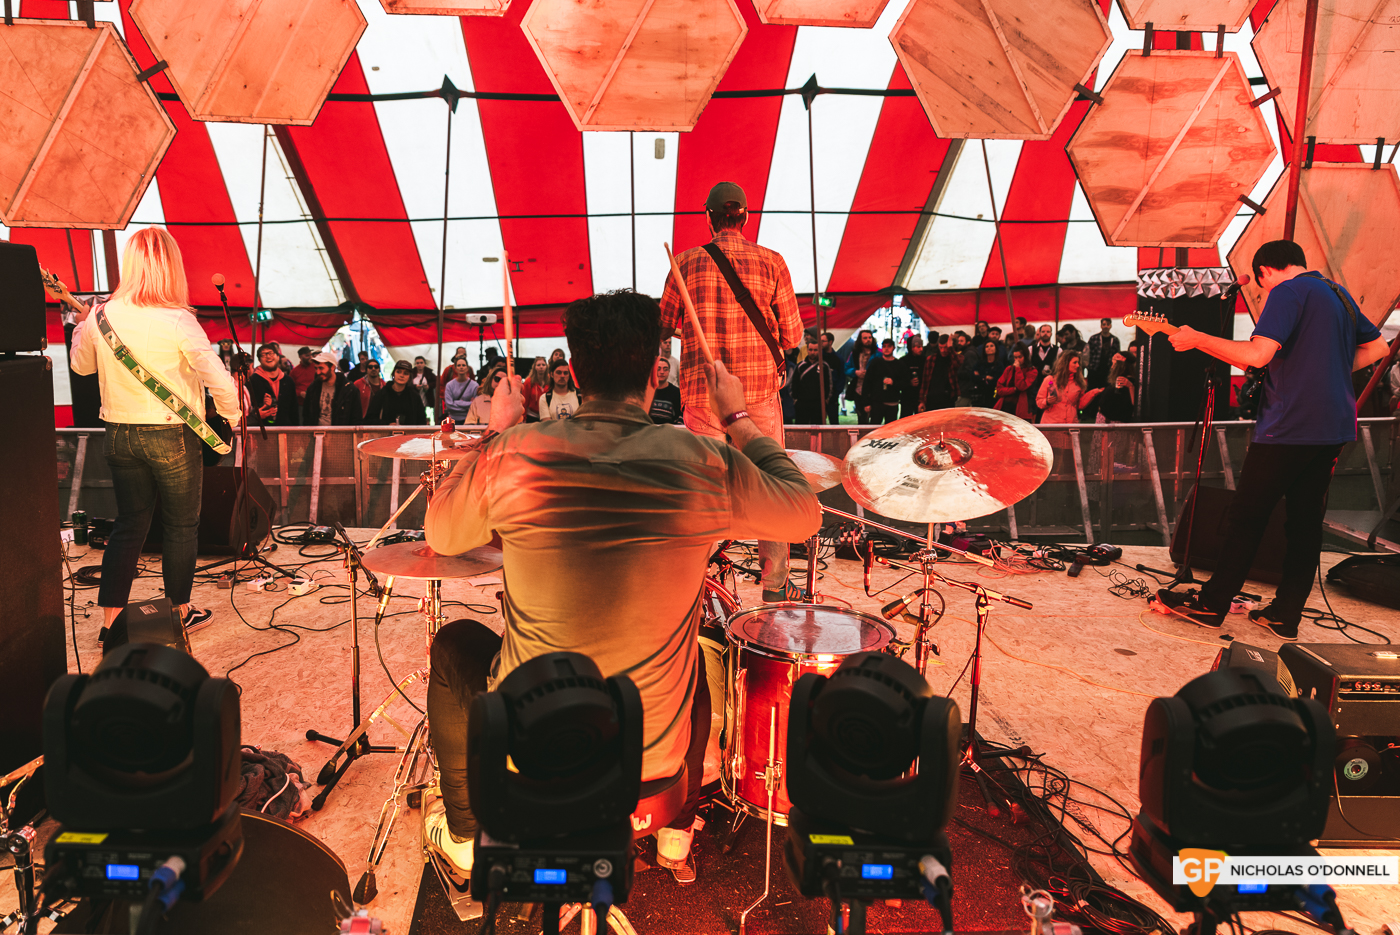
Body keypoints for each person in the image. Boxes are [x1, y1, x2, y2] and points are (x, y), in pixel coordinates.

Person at [421, 290, 819, 888]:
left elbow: (441, 533)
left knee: (454, 644)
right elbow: (804, 513)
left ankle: (465, 837)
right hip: (650, 768)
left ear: (576, 374)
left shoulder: (514, 453)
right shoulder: (702, 461)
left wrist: (494, 431)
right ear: (658, 372)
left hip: (534, 757)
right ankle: (676, 826)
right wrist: (738, 416)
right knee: (695, 655)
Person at [1152, 240, 1387, 638]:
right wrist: (1325, 372)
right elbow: (1378, 346)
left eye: (1260, 287)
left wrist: (1198, 339)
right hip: (1333, 426)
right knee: (1305, 522)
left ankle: (1211, 605)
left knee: (1247, 515)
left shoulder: (1287, 292)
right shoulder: (1337, 293)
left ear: (1264, 272)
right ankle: (1285, 615)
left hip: (1289, 425)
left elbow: (1257, 355)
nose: (1262, 294)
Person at [68, 227, 240, 634]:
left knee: (129, 524)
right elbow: (218, 379)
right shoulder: (178, 319)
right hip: (171, 434)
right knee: (180, 526)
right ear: (170, 266)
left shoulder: (101, 315)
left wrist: (79, 324)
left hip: (119, 433)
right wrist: (230, 419)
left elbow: (80, 366)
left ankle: (111, 623)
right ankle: (180, 612)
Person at [659, 181, 806, 603]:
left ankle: (687, 583)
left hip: (703, 394)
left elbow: (663, 326)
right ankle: (775, 586)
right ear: (745, 216)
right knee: (771, 486)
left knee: (704, 490)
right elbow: (793, 336)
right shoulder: (773, 262)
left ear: (708, 217)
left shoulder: (684, 263)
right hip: (757, 393)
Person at [303, 350, 362, 426]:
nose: (318, 372)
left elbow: (356, 418)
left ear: (332, 367)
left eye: (321, 368)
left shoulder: (349, 389)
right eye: (316, 368)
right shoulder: (313, 387)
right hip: (316, 432)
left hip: (340, 432)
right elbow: (306, 415)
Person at [246, 343, 298, 426]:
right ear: (259, 360)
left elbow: (294, 409)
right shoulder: (252, 381)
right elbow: (248, 409)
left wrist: (295, 428)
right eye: (263, 355)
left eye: (271, 353)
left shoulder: (288, 380)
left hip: (285, 428)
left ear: (278, 357)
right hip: (261, 429)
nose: (268, 357)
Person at [366, 360, 430, 426]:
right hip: (386, 432)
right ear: (393, 373)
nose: (402, 375)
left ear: (409, 377)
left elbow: (422, 421)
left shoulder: (414, 396)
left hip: (408, 432)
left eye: (406, 373)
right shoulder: (382, 394)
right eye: (398, 372)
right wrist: (387, 425)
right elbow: (369, 420)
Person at [994, 345, 1039, 420]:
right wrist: (1014, 389)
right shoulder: (1009, 369)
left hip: (1021, 409)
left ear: (1025, 356)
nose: (1017, 360)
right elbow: (999, 389)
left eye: (1020, 357)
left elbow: (1021, 386)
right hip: (1005, 407)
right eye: (1015, 357)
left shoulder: (1032, 371)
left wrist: (1018, 369)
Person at [792, 340, 831, 424]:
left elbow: (829, 384)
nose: (813, 352)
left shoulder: (824, 366)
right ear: (807, 350)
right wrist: (795, 399)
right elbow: (794, 383)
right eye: (810, 350)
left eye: (815, 350)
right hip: (802, 403)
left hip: (818, 403)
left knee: (818, 428)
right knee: (801, 427)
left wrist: (826, 399)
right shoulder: (800, 366)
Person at [865, 339, 903, 423]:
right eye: (884, 346)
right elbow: (867, 383)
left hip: (892, 402)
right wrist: (866, 402)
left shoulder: (899, 364)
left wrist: (893, 382)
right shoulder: (875, 363)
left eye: (889, 346)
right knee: (874, 427)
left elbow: (904, 383)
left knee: (890, 428)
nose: (886, 349)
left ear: (893, 348)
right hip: (877, 402)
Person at [848, 330, 880, 424]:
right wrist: (855, 372)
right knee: (861, 418)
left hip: (874, 390)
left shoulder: (878, 354)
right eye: (865, 338)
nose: (868, 340)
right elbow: (846, 368)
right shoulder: (855, 353)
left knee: (875, 419)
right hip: (859, 390)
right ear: (860, 340)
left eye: (870, 337)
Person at [919, 334, 957, 412]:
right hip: (932, 399)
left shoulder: (952, 359)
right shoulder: (931, 359)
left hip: (948, 398)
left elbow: (958, 363)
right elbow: (925, 381)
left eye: (945, 347)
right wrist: (922, 401)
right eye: (941, 347)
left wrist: (951, 348)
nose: (943, 350)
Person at [1086, 318, 1120, 389]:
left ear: (1110, 326)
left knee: (1107, 390)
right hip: (1094, 369)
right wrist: (1088, 366)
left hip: (1108, 370)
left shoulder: (1115, 340)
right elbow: (1087, 353)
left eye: (1108, 324)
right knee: (1093, 389)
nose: (1106, 326)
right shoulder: (1094, 338)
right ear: (1101, 325)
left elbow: (1117, 355)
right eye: (1104, 324)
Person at [967, 340, 1003, 408]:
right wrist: (985, 377)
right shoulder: (980, 363)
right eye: (987, 346)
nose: (989, 348)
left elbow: (997, 380)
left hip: (992, 396)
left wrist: (980, 377)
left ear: (996, 348)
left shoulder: (999, 365)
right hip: (979, 396)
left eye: (991, 346)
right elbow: (972, 377)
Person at [649, 357, 684, 424]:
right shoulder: (648, 391)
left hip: (668, 429)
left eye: (665, 369)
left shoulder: (676, 392)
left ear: (669, 371)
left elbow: (680, 415)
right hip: (648, 429)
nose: (662, 372)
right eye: (658, 369)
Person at [442, 359, 478, 423]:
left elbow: (476, 405)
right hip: (453, 420)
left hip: (470, 420)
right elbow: (449, 405)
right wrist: (469, 404)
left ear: (467, 368)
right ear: (455, 368)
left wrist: (456, 402)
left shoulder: (474, 385)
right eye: (459, 365)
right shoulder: (449, 385)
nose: (461, 367)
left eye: (463, 365)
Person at [898, 334, 925, 419]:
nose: (921, 349)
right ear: (912, 347)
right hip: (907, 397)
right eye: (918, 347)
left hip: (920, 397)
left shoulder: (924, 360)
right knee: (905, 421)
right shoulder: (903, 361)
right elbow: (898, 380)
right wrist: (909, 383)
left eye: (921, 346)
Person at [820, 331, 845, 423]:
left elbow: (841, 377)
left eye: (823, 341)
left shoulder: (838, 358)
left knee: (833, 421)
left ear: (830, 342)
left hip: (833, 395)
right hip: (819, 395)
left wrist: (835, 394)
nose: (821, 343)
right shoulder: (819, 357)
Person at [523, 357, 550, 422]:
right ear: (535, 367)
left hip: (546, 415)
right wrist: (523, 417)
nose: (541, 367)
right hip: (532, 415)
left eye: (543, 365)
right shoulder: (528, 381)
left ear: (546, 367)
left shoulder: (550, 381)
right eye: (538, 365)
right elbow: (525, 401)